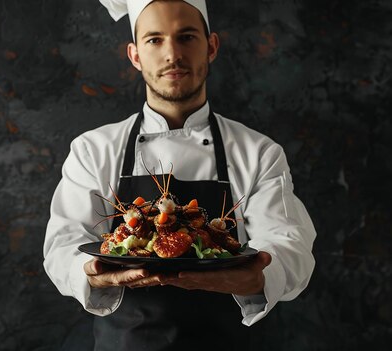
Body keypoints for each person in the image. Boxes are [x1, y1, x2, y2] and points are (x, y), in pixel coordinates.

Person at [43, 0, 316, 349]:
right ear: (135, 54)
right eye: (155, 39)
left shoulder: (259, 152)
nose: (172, 53)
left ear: (211, 46)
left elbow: (290, 245)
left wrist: (260, 275)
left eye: (186, 36)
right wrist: (92, 274)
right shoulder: (92, 149)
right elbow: (63, 246)